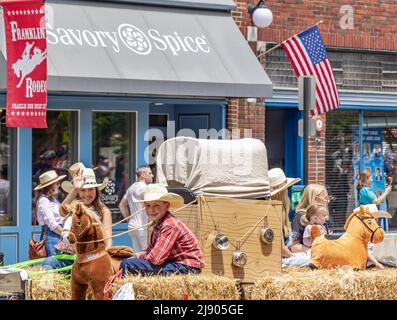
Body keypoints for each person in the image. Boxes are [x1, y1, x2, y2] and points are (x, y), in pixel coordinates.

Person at [120, 184, 205, 276]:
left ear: (166, 206)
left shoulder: (169, 225)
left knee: (128, 264)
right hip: (177, 264)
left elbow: (156, 259)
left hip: (187, 268)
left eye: (156, 205)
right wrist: (137, 255)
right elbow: (151, 250)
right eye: (147, 206)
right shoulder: (159, 224)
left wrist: (138, 256)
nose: (151, 210)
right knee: (130, 261)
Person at [61, 163, 113, 249]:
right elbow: (62, 211)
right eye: (82, 190)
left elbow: (108, 242)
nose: (87, 193)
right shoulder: (73, 207)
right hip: (68, 254)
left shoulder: (104, 211)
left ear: (96, 190)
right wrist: (75, 189)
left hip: (92, 256)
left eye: (91, 189)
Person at [269, 168, 310, 267]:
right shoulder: (274, 213)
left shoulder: (274, 211)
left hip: (281, 258)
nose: (287, 192)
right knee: (313, 260)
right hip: (279, 262)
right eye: (286, 189)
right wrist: (295, 257)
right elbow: (282, 250)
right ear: (281, 193)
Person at [118, 166, 154, 252]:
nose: (152, 175)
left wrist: (129, 220)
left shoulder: (132, 187)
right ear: (143, 175)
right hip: (143, 227)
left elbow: (122, 205)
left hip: (133, 226)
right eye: (150, 173)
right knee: (147, 254)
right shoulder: (146, 188)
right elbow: (151, 206)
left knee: (137, 254)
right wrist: (150, 225)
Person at [291, 184, 332, 253]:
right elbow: (294, 246)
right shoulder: (300, 216)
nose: (328, 201)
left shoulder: (321, 216)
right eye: (325, 198)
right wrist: (314, 252)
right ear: (315, 199)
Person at [33, 170, 66, 256]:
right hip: (52, 237)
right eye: (57, 183)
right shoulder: (44, 200)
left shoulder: (53, 199)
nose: (59, 186)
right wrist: (66, 235)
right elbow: (52, 224)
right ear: (49, 186)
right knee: (54, 265)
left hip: (58, 235)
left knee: (61, 265)